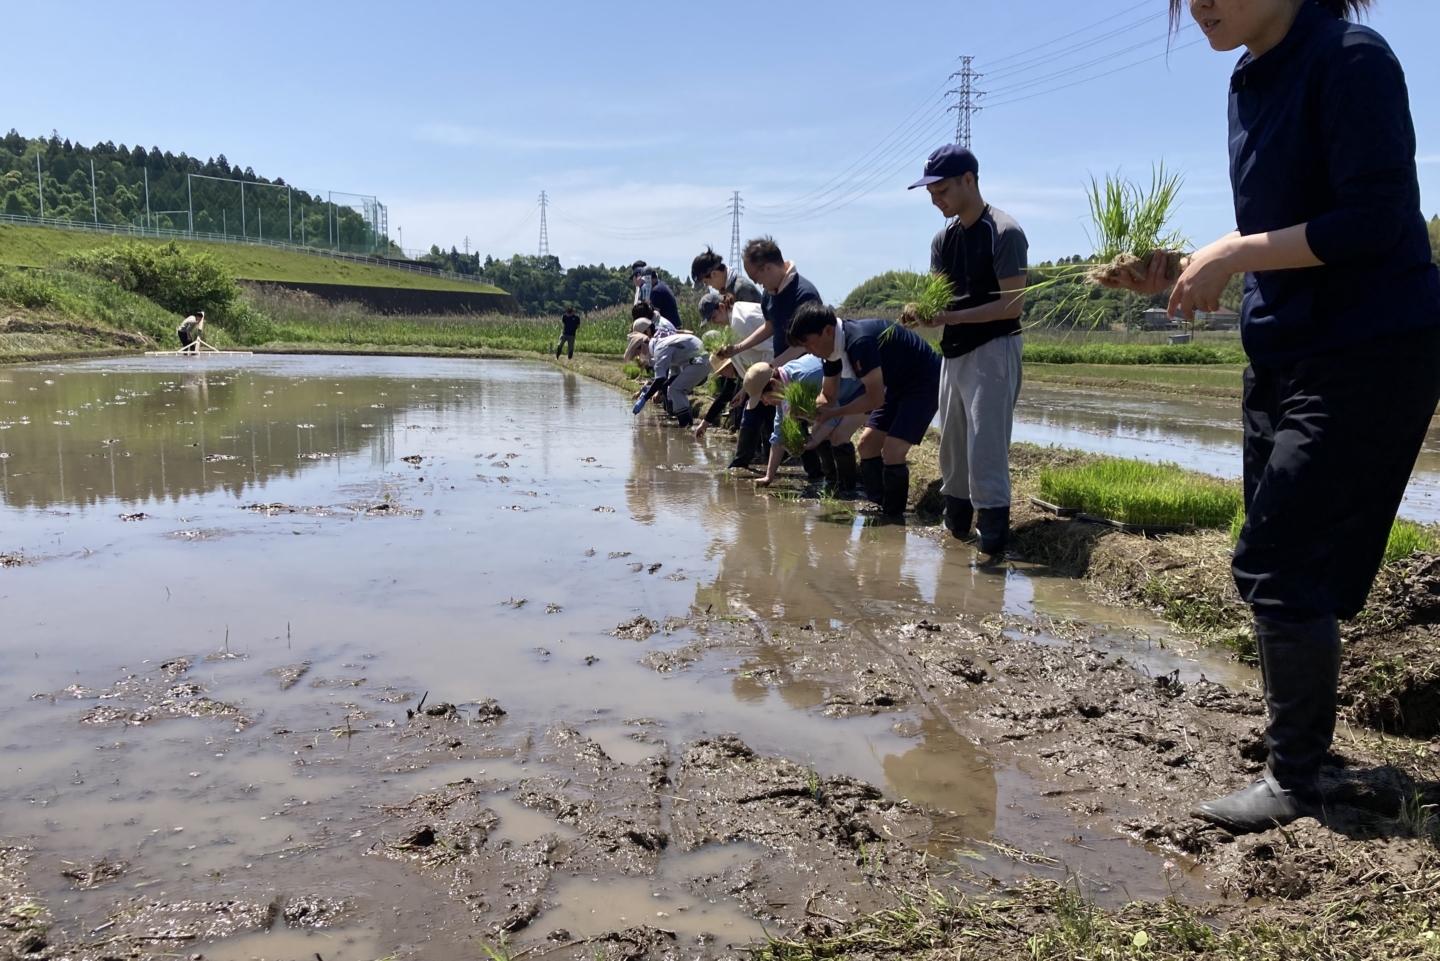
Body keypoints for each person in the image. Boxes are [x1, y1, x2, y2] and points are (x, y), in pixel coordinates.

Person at [1102, 0, 1440, 834]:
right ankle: (1308, 756)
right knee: (1285, 557)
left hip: (1369, 344)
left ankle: (1296, 778)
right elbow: (1283, 234)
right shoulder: (1250, 80)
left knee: (1278, 551)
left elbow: (1373, 220)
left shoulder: (1352, 58)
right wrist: (1185, 268)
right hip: (1285, 350)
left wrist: (1237, 250)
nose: (1199, 7)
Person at [908, 144, 1029, 555]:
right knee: (953, 450)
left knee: (985, 448)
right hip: (954, 353)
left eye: (940, 190)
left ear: (969, 180)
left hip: (993, 349)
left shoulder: (1004, 231)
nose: (935, 200)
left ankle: (993, 540)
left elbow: (1012, 305)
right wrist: (924, 312)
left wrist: (950, 318)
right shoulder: (943, 239)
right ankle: (955, 529)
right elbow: (940, 301)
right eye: (930, 193)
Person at [787, 303, 942, 519]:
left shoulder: (859, 342)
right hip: (895, 385)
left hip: (924, 381)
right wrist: (806, 411)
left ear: (828, 330)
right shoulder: (831, 352)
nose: (809, 351)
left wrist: (833, 414)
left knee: (892, 450)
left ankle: (893, 519)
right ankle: (878, 505)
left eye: (809, 343)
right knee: (866, 445)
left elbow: (875, 399)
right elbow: (828, 397)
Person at [717, 237, 823, 469]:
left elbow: (807, 345)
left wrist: (770, 368)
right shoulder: (770, 294)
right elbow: (769, 327)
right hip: (781, 370)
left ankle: (819, 478)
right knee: (774, 418)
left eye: (757, 278)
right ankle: (748, 466)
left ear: (768, 267)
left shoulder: (804, 295)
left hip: (805, 372)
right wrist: (737, 348)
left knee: (798, 422)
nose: (759, 284)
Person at [741, 358, 866, 494]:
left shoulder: (807, 378)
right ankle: (832, 483)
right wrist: (769, 477)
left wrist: (814, 440)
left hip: (865, 390)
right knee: (822, 433)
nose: (765, 403)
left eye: (763, 398)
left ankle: (847, 490)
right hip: (840, 400)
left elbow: (832, 415)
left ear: (773, 383)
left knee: (837, 436)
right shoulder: (785, 387)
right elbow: (778, 435)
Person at [695, 291, 772, 440]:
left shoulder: (741, 320)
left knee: (759, 420)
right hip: (761, 379)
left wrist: (760, 380)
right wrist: (746, 388)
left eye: (714, 317)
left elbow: (772, 348)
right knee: (756, 420)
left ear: (722, 306)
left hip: (771, 376)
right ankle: (750, 460)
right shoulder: (731, 325)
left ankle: (751, 460)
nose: (714, 322)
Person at [636, 329, 708, 429]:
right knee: (675, 388)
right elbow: (674, 375)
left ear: (644, 346)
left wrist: (644, 399)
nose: (639, 356)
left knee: (675, 389)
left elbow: (660, 379)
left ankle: (686, 425)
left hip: (701, 360)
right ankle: (687, 423)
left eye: (638, 352)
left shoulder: (659, 349)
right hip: (698, 360)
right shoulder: (663, 344)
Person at [691, 246, 763, 304]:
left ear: (714, 274)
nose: (706, 285)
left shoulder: (743, 289)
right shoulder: (725, 290)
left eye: (705, 281)